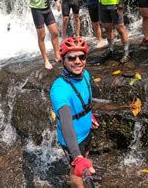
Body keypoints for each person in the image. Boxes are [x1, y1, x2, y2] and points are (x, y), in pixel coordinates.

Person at [50, 37, 99, 188]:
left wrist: (89, 115)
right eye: (71, 57)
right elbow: (66, 122)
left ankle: (83, 158)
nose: (78, 61)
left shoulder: (86, 75)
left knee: (86, 154)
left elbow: (84, 99)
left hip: (86, 131)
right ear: (63, 60)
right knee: (76, 170)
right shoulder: (59, 89)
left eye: (81, 57)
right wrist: (76, 156)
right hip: (72, 140)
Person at [17, 0, 61, 70]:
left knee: (55, 32)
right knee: (42, 36)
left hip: (47, 9)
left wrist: (56, 0)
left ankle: (57, 54)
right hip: (37, 10)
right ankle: (46, 60)